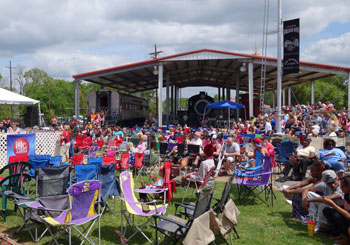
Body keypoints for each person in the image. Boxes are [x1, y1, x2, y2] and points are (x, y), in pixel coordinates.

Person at [323, 175, 350, 244]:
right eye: (340, 185)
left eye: (343, 186)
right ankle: (343, 235)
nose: (340, 187)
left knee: (336, 216)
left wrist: (333, 205)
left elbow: (349, 216)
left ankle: (347, 240)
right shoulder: (347, 194)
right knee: (327, 211)